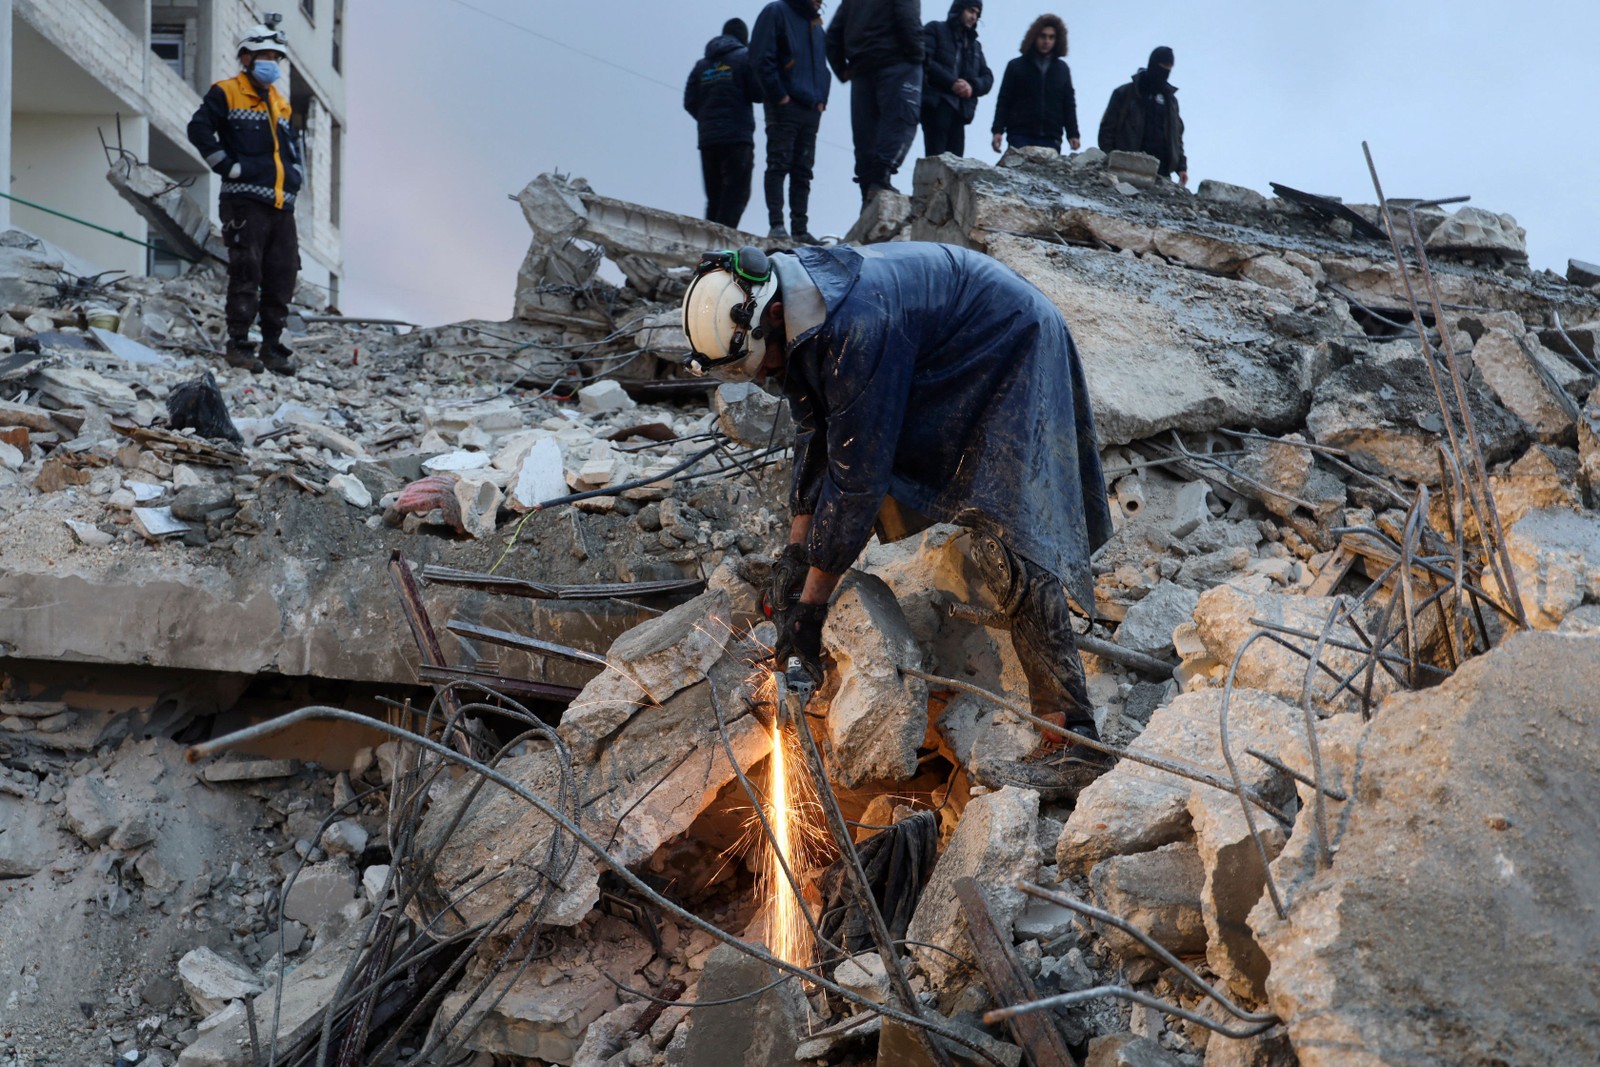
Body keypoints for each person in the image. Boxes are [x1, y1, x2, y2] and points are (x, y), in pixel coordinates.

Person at [680, 242, 1115, 799]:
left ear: (772, 316)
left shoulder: (856, 325)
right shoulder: (795, 310)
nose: (766, 371)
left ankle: (1074, 741)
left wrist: (809, 611)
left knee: (1010, 534)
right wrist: (795, 551)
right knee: (962, 516)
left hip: (1013, 339)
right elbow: (817, 432)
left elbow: (858, 481)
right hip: (953, 340)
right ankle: (1069, 737)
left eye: (760, 360)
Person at [186, 24, 302, 375]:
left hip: (281, 205)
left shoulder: (280, 104)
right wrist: (226, 166)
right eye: (266, 56)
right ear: (247, 58)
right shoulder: (227, 92)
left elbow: (289, 152)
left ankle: (271, 347)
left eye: (276, 58)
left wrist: (296, 178)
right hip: (245, 201)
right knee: (246, 270)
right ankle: (239, 344)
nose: (272, 64)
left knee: (282, 275)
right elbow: (198, 129)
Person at [825, 0, 925, 202]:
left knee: (865, 135)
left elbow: (832, 36)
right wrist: (918, 54)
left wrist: (842, 70)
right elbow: (908, 18)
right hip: (896, 63)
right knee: (901, 120)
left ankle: (867, 194)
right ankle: (879, 180)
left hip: (861, 69)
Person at [750, 0, 831, 242]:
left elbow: (822, 67)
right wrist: (779, 95)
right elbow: (760, 56)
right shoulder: (776, 11)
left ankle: (800, 229)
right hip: (785, 104)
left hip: (811, 108)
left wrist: (821, 99)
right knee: (779, 163)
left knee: (803, 170)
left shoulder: (816, 25)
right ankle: (776, 224)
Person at [684, 18, 762, 229]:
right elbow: (758, 93)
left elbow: (689, 101)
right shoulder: (744, 58)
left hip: (708, 139)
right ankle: (721, 245)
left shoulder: (701, 65)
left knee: (714, 196)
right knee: (737, 192)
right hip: (737, 136)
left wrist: (708, 120)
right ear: (744, 38)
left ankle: (707, 247)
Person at [990, 14, 1079, 155]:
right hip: (1020, 134)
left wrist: (1073, 134)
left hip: (1051, 136)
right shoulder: (1015, 66)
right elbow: (1004, 100)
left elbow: (1068, 103)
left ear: (1057, 40)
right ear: (1034, 37)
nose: (1046, 41)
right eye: (1043, 36)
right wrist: (997, 131)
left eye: (1051, 37)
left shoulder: (1062, 69)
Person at [1098, 46, 1187, 185]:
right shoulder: (1125, 93)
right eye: (1162, 66)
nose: (1165, 71)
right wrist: (1110, 156)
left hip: (1162, 173)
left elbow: (1176, 135)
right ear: (1152, 64)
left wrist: (1181, 167)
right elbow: (1107, 128)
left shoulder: (1170, 101)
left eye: (1168, 67)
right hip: (1126, 168)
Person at [920, 1, 992, 158]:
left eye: (977, 14)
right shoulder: (935, 29)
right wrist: (951, 82)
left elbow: (987, 77)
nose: (973, 17)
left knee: (956, 168)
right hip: (936, 106)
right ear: (959, 9)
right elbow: (924, 60)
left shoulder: (975, 46)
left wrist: (972, 86)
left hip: (960, 112)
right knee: (935, 162)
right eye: (971, 11)